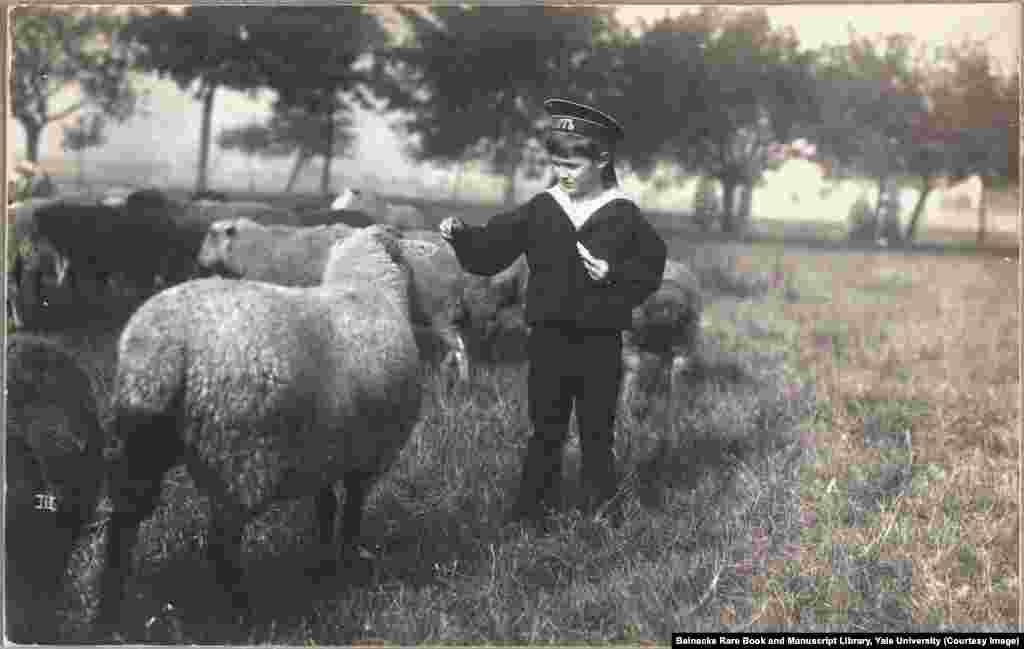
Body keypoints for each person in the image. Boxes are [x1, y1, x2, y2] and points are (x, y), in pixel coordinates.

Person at [439, 98, 667, 527]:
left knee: (597, 430)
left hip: (600, 342)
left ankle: (602, 510)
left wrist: (614, 274)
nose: (563, 174)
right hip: (548, 339)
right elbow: (492, 248)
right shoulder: (543, 208)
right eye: (557, 164)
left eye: (573, 166)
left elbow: (651, 267)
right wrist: (462, 237)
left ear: (602, 159)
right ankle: (532, 512)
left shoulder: (624, 214)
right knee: (545, 429)